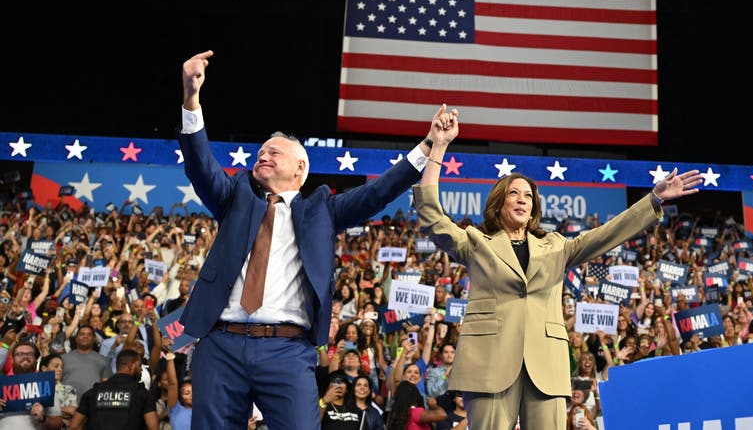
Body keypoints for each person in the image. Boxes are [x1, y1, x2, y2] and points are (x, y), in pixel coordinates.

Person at [176, 50, 455, 429]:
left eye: (273, 151)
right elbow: (199, 166)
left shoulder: (323, 210)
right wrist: (191, 98)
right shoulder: (235, 196)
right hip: (221, 345)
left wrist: (428, 144)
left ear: (301, 168)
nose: (263, 156)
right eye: (260, 153)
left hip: (288, 351)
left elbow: (379, 192)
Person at [412, 109, 701, 429]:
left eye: (528, 196)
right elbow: (431, 216)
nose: (522, 200)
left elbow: (604, 236)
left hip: (545, 366)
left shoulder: (556, 246)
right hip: (488, 364)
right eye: (513, 193)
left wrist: (652, 200)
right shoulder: (476, 242)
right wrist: (438, 145)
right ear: (498, 202)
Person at [70, 348, 158, 430]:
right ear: (131, 366)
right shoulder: (142, 393)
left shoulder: (93, 392)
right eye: (139, 365)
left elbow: (74, 426)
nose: (141, 370)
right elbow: (153, 426)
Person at [0, 340, 62, 429]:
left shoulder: (46, 384)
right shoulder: (1, 385)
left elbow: (58, 423)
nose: (25, 357)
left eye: (30, 354)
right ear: (12, 361)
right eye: (19, 354)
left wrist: (43, 418)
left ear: (36, 362)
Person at [62, 325, 112, 403]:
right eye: (82, 334)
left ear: (94, 339)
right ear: (76, 339)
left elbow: (107, 387)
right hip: (66, 405)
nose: (85, 336)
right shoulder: (63, 359)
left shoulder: (104, 360)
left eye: (89, 335)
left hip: (92, 406)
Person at [40, 352, 78, 430]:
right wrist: (62, 411)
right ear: (44, 369)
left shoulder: (68, 389)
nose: (60, 369)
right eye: (56, 366)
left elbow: (72, 411)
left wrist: (44, 412)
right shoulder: (36, 389)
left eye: (61, 367)